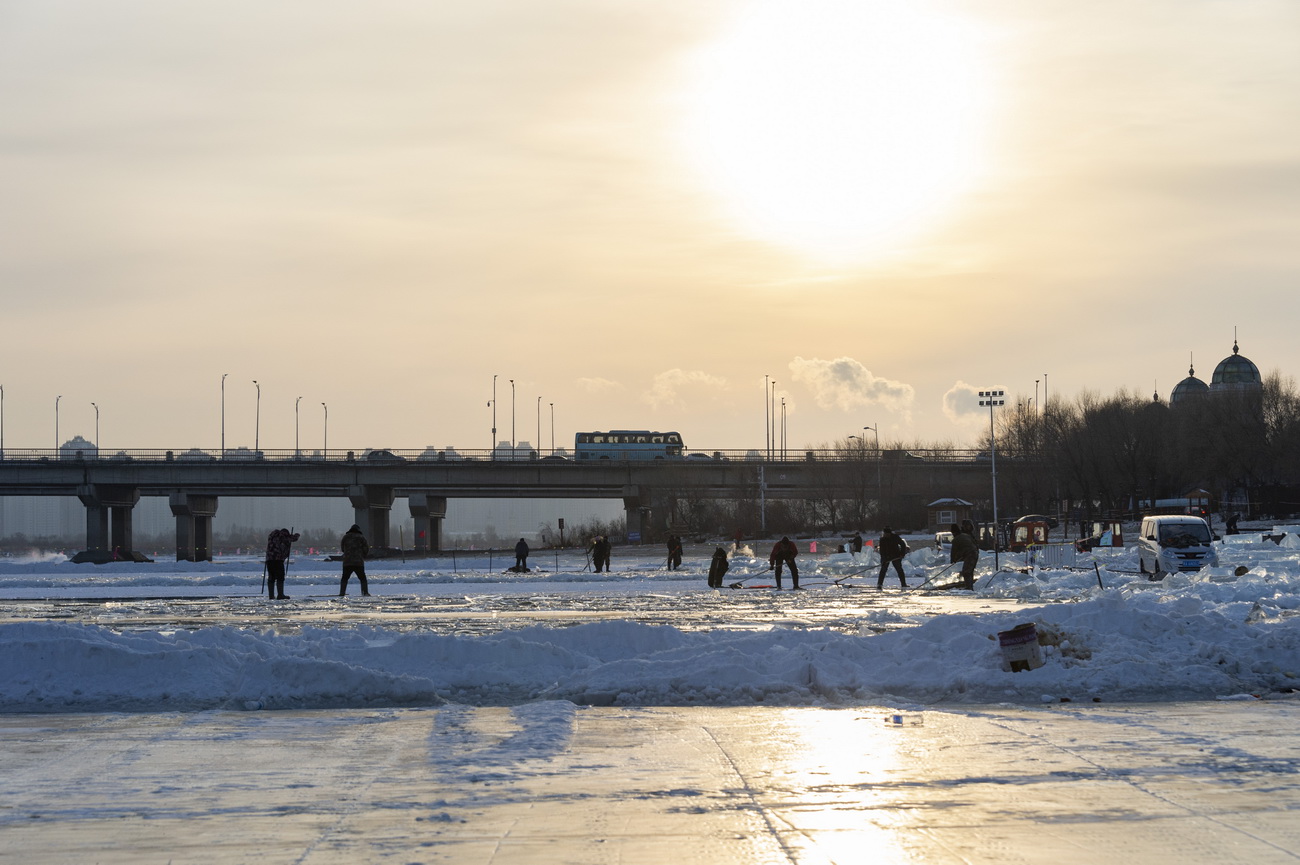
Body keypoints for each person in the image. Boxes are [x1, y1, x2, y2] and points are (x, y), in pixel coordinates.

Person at [264, 527, 300, 600]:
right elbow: (291, 539)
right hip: (277, 559)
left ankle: (271, 596)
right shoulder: (282, 536)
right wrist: (297, 535)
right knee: (280, 577)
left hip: (269, 559)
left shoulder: (272, 536)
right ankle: (280, 595)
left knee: (271, 577)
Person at [339, 524, 371, 597]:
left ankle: (342, 592)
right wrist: (363, 555)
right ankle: (365, 592)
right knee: (362, 578)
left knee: (344, 578)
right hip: (358, 562)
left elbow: (342, 548)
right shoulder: (361, 537)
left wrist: (347, 553)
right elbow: (366, 549)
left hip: (347, 562)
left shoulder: (346, 537)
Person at [949, 522, 980, 590]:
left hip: (970, 555)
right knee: (970, 571)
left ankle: (969, 587)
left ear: (953, 533)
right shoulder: (966, 535)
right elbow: (975, 544)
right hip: (975, 553)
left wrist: (953, 561)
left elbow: (953, 552)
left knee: (966, 572)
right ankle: (970, 586)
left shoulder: (956, 540)